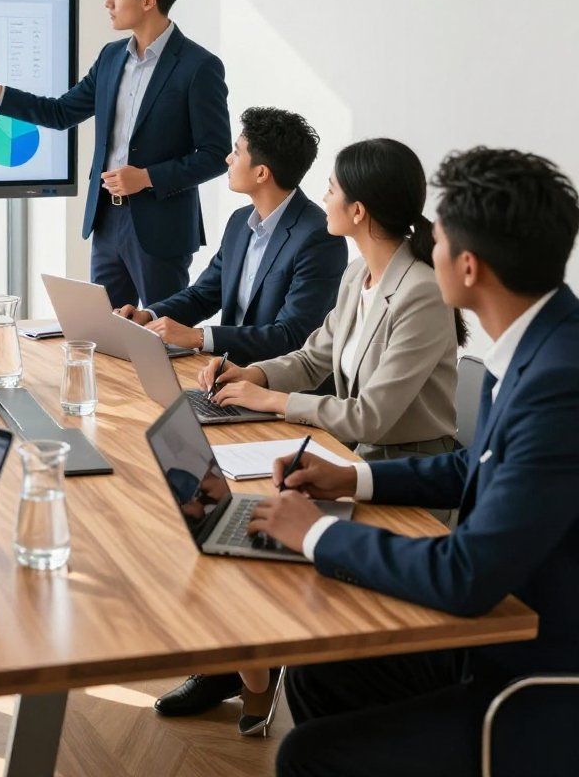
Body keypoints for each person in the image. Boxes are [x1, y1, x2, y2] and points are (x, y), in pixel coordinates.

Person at [246, 147, 579, 777]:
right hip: (494, 633)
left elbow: (466, 572)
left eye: (441, 232)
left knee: (306, 755)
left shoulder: (559, 379)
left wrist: (315, 531)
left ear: (469, 267)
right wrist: (355, 477)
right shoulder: (537, 343)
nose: (429, 239)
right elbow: (474, 468)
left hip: (533, 676)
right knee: (321, 665)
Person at [155, 138, 466, 729]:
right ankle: (245, 663)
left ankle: (259, 669)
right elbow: (313, 356)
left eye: (331, 188)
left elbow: (371, 415)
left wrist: (272, 399)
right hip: (347, 455)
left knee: (258, 528)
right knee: (230, 517)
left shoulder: (421, 292)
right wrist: (253, 372)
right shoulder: (359, 276)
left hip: (401, 476)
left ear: (359, 212)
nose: (321, 195)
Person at [0, 0, 231, 308]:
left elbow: (214, 156)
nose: (107, 2)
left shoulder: (199, 66)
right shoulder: (111, 57)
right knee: (104, 333)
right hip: (107, 220)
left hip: (161, 228)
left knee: (162, 338)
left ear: (148, 1)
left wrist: (146, 177)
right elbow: (60, 112)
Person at [116, 106, 347, 358]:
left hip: (277, 386)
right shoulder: (240, 222)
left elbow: (291, 336)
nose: (228, 159)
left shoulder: (319, 237)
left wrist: (198, 337)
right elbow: (203, 295)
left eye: (236, 152)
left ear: (261, 173)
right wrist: (147, 315)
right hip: (224, 372)